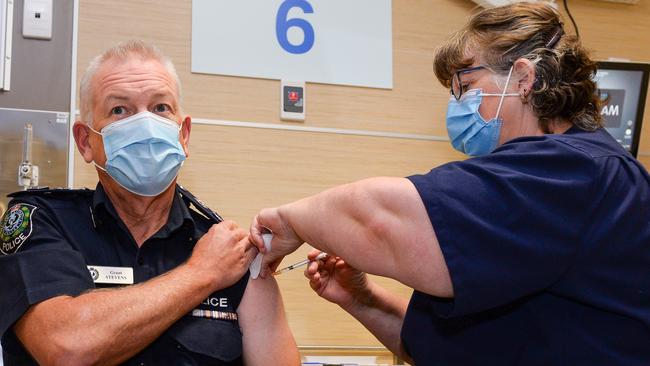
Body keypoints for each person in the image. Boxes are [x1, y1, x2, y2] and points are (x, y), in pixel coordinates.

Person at [250, 3, 650, 365]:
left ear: (524, 77)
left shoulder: (573, 171)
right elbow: (446, 349)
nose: (457, 104)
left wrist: (290, 221)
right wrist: (363, 300)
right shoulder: (538, 190)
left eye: (465, 85)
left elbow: (379, 218)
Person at [0, 40, 300, 365]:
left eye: (160, 108)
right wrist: (200, 274)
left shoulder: (231, 251)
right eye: (120, 110)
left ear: (183, 135)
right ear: (86, 142)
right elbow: (65, 347)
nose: (144, 125)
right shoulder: (41, 221)